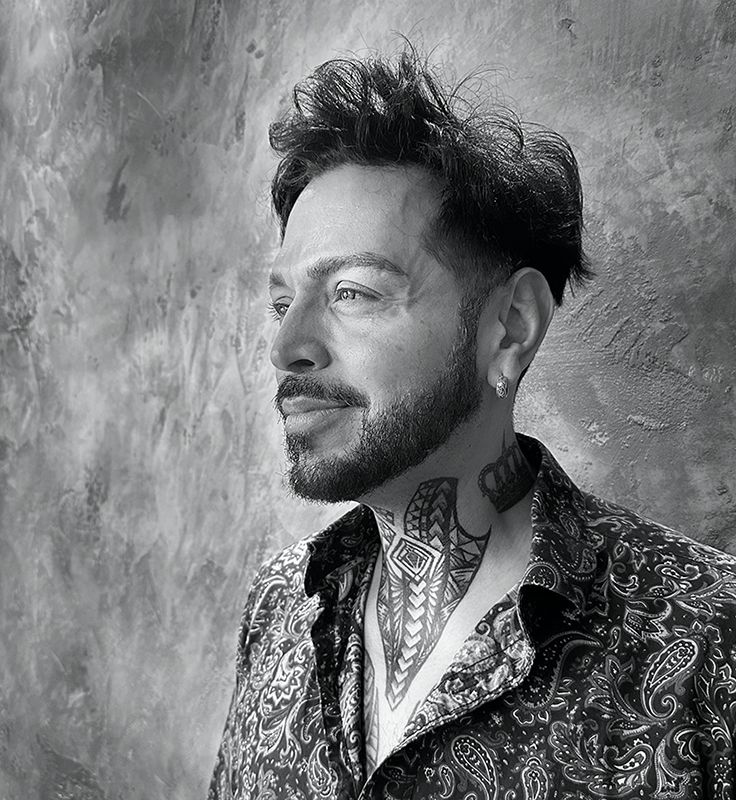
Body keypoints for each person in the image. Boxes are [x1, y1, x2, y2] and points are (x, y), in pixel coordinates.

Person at [208, 48, 736, 800]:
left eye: (353, 293)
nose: (286, 346)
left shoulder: (707, 642)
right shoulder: (279, 607)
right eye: (281, 302)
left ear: (510, 327)